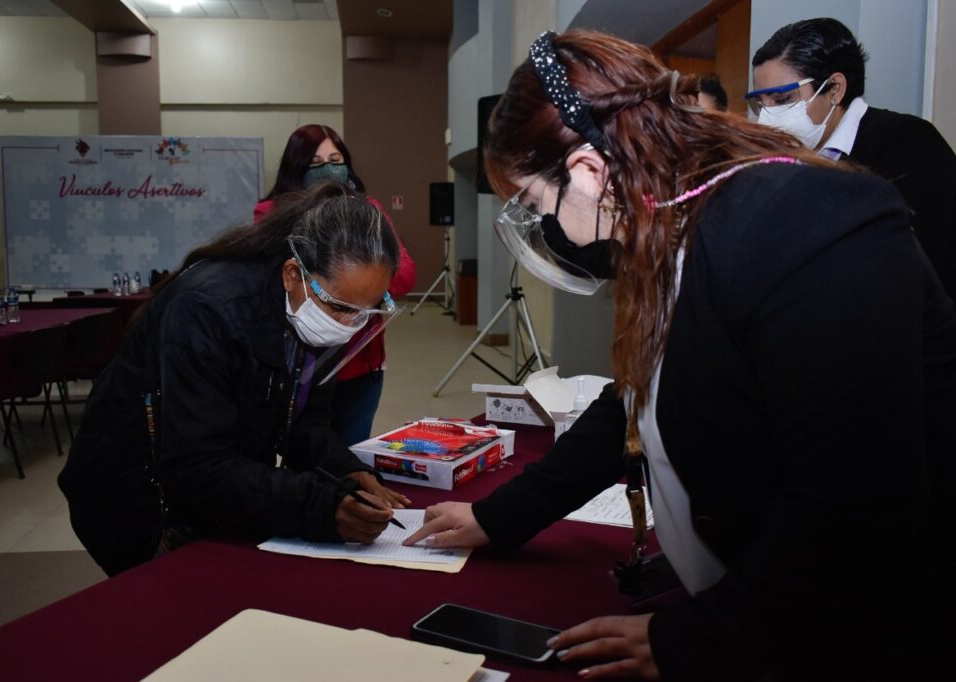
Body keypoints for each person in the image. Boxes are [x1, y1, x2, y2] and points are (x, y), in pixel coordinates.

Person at [405, 29, 956, 681]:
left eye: (532, 201)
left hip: (849, 644)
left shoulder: (802, 224)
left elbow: (852, 506)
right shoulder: (678, 224)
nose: (542, 225)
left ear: (586, 169)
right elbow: (632, 404)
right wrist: (499, 518)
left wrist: (696, 639)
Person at [59, 184, 411, 576]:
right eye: (343, 308)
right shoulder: (209, 308)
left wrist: (345, 469)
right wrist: (321, 507)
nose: (349, 324)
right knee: (171, 614)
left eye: (366, 311)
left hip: (209, 485)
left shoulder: (316, 305)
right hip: (132, 495)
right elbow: (197, 465)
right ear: (293, 274)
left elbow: (305, 421)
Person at [750, 17, 956, 299]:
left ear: (834, 89)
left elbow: (930, 270)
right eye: (759, 103)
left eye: (782, 100)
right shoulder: (786, 166)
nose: (765, 117)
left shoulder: (908, 142)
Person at [255, 124, 417, 446]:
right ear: (296, 167)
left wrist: (362, 284)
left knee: (352, 453)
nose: (328, 168)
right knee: (301, 454)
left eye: (335, 158)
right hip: (297, 361)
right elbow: (271, 282)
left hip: (359, 362)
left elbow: (404, 276)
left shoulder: (367, 211)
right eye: (315, 162)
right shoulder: (272, 213)